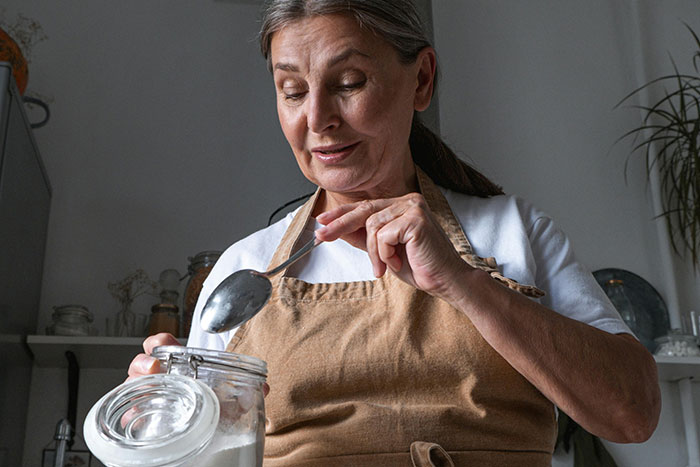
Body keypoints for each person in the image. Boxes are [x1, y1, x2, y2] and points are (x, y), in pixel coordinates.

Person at [129, 1, 661, 465]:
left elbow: (633, 415)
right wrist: (158, 417)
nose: (317, 118)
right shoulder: (245, 270)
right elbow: (197, 459)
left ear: (422, 79)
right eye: (292, 91)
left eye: (348, 84)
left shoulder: (513, 232)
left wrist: (461, 282)